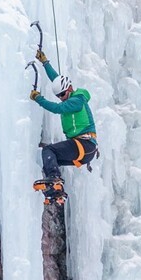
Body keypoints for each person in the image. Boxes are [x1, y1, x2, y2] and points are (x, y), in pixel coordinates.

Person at [29, 50, 98, 185]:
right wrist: (45, 62)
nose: (61, 98)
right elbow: (56, 80)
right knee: (49, 160)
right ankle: (55, 192)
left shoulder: (77, 100)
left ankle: (54, 180)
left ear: (69, 89)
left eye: (62, 95)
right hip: (84, 150)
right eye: (58, 96)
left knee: (48, 151)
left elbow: (57, 108)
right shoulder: (68, 97)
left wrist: (38, 98)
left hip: (85, 144)